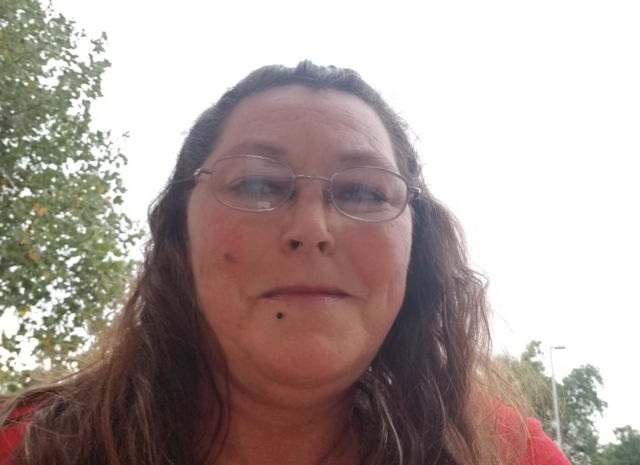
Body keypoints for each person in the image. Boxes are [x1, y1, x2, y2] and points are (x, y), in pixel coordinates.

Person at [0, 61, 570, 465]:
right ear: (178, 234)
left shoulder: (505, 453)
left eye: (363, 192)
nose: (311, 230)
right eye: (256, 183)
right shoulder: (28, 447)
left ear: (416, 246)